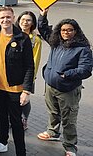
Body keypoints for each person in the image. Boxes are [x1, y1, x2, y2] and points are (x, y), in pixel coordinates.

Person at [37, 9, 92, 156]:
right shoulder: (56, 43)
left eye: (69, 30)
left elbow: (86, 69)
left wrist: (67, 74)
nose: (66, 32)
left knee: (69, 119)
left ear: (75, 31)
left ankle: (70, 146)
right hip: (50, 86)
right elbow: (42, 28)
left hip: (68, 89)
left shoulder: (82, 49)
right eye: (63, 30)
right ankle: (53, 132)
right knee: (53, 112)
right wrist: (43, 14)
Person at [0, 7, 34, 156]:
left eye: (8, 17)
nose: (5, 20)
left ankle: (21, 152)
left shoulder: (23, 38)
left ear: (13, 18)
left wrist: (26, 90)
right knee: (1, 117)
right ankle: (2, 143)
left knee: (16, 122)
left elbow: (29, 66)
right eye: (2, 18)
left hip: (15, 89)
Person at [15, 11, 42, 130]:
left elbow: (35, 59)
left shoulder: (35, 40)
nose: (25, 22)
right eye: (23, 19)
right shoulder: (13, 35)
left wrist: (32, 76)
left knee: (25, 98)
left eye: (28, 20)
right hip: (13, 73)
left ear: (32, 23)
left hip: (27, 74)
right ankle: (15, 118)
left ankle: (24, 118)